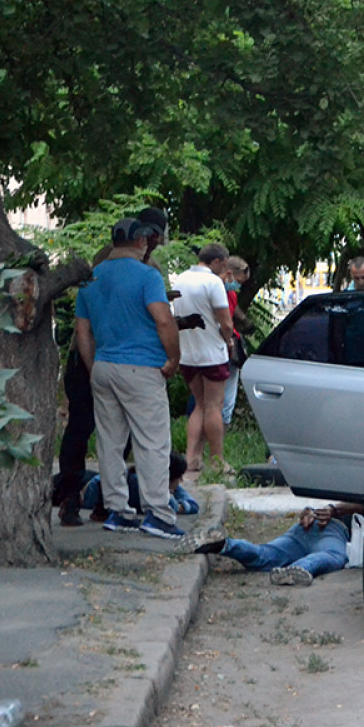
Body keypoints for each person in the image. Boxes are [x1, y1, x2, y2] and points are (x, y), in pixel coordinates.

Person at [74, 217, 184, 539]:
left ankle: (117, 511)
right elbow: (163, 320)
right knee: (152, 443)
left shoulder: (91, 278)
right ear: (140, 242)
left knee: (109, 443)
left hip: (104, 367)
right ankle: (159, 514)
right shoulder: (147, 275)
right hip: (141, 369)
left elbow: (83, 330)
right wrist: (174, 358)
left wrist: (93, 365)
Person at [179, 504, 356, 586]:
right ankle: (298, 569)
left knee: (264, 554)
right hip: (332, 526)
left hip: (307, 524)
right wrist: (334, 510)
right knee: (332, 555)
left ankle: (224, 544)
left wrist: (312, 511)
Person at [173, 243, 235, 477]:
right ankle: (217, 459)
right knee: (213, 406)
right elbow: (226, 322)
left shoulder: (180, 279)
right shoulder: (213, 283)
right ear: (217, 262)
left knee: (199, 403)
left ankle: (191, 458)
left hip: (187, 351)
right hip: (211, 351)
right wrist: (228, 339)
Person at [220, 255, 251, 427]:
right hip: (225, 343)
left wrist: (245, 320)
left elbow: (233, 310)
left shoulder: (230, 292)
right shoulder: (217, 291)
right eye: (238, 281)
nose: (238, 285)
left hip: (230, 343)